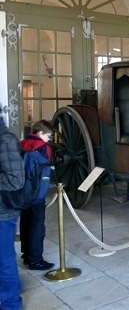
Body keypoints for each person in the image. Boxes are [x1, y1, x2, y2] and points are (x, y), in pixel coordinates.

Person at [19, 120, 54, 271]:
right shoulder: (43, 148)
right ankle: (36, 260)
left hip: (23, 192)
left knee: (25, 223)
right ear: (40, 133)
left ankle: (26, 255)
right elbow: (45, 173)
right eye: (48, 135)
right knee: (37, 227)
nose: (49, 139)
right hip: (37, 193)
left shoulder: (22, 144)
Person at [0, 107, 25, 310]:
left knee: (5, 260)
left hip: (3, 213)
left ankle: (11, 304)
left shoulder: (5, 140)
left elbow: (16, 180)